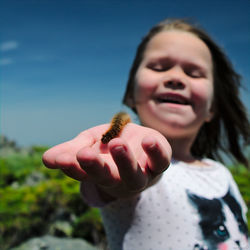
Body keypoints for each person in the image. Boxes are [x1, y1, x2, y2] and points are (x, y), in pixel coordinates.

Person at [42, 18, 250, 250]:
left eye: (194, 73)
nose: (176, 78)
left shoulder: (221, 173)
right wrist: (119, 181)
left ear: (212, 108)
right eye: (158, 67)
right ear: (130, 95)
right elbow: (115, 186)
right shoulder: (130, 163)